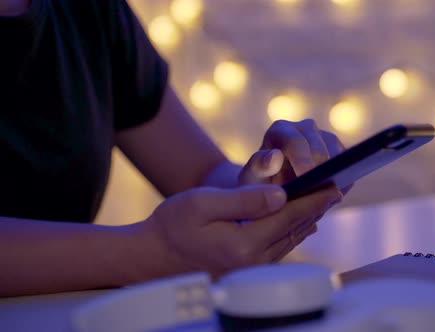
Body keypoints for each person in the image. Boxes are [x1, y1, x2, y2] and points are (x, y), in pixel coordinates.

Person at [0, 0, 346, 297]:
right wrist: (139, 254)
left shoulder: (87, 10)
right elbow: (153, 249)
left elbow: (200, 173)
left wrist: (269, 179)